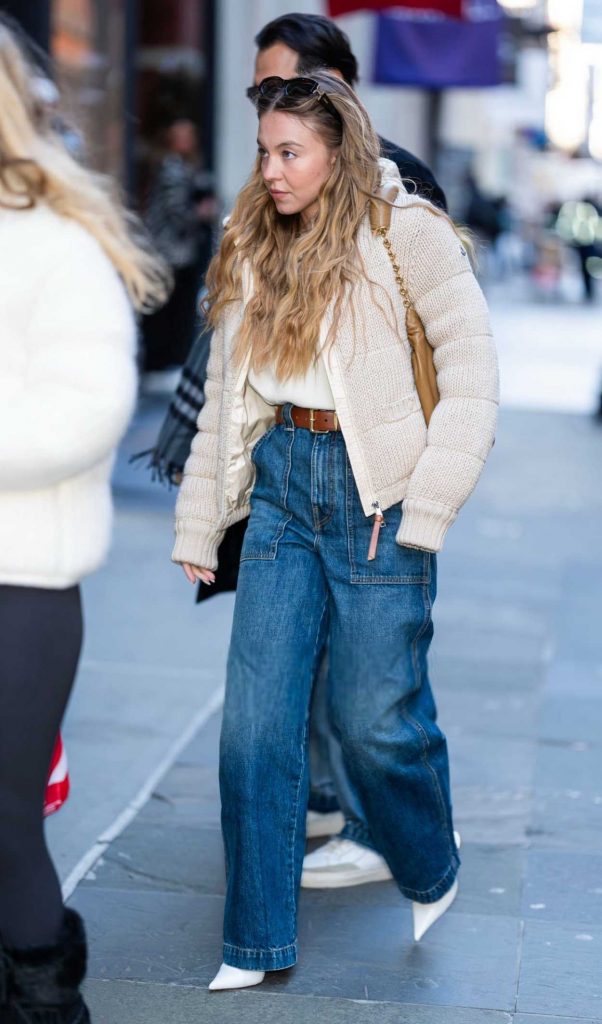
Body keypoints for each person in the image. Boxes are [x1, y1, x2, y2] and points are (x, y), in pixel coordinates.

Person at [172, 71, 498, 990]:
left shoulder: (410, 235)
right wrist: (203, 519)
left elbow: (473, 377)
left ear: (337, 150)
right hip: (281, 491)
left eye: (290, 153)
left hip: (376, 500)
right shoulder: (252, 242)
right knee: (255, 729)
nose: (271, 171)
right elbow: (230, 406)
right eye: (265, 151)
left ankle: (429, 856)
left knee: (373, 723)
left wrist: (428, 503)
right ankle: (255, 940)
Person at [150, 12, 450, 886]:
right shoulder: (268, 199)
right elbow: (237, 335)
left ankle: (382, 823)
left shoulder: (400, 187)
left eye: (283, 87)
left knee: (377, 680)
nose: (268, 116)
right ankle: (321, 808)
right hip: (280, 457)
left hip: (373, 473)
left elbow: (444, 343)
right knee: (288, 670)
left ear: (333, 89)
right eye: (260, 101)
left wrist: (426, 484)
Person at [0, 15, 169, 1022]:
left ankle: (40, 1002)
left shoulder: (53, 243)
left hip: (18, 588)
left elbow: (88, 409)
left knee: (7, 824)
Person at [142, 118, 217, 374]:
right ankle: (165, 363)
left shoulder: (186, 166)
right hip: (169, 252)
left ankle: (169, 362)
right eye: (181, 135)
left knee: (177, 310)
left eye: (189, 134)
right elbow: (176, 212)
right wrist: (201, 212)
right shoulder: (172, 168)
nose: (187, 140)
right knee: (170, 311)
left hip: (177, 251)